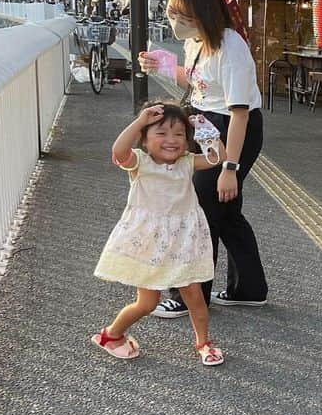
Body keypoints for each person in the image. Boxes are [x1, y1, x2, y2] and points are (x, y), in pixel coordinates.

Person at [138, 0, 268, 318]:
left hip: (230, 129)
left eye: (183, 14)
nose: (175, 20)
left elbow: (239, 114)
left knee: (200, 211)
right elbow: (200, 83)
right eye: (172, 11)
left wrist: (230, 168)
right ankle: (250, 289)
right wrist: (163, 65)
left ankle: (190, 296)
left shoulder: (232, 47)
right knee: (225, 212)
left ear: (205, 13)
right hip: (205, 123)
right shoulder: (197, 40)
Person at [92, 102, 225, 366]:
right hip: (151, 245)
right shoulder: (139, 163)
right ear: (144, 139)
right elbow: (119, 151)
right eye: (161, 133)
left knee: (196, 297)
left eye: (178, 134)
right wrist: (140, 121)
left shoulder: (187, 162)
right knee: (147, 303)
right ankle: (111, 334)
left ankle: (204, 342)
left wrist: (206, 130)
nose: (171, 140)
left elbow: (217, 157)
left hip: (183, 242)